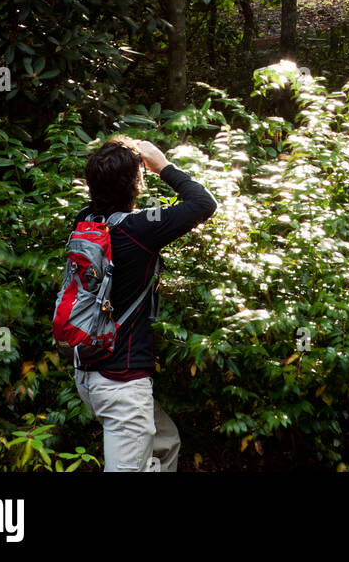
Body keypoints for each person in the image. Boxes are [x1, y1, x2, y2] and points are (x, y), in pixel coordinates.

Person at [72, 134, 216, 472]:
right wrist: (162, 165)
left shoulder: (86, 221)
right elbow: (202, 204)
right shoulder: (138, 230)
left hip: (88, 371)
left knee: (164, 446)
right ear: (136, 183)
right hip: (122, 383)